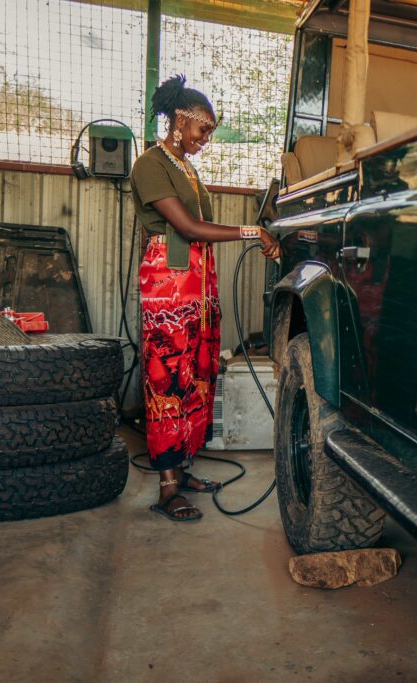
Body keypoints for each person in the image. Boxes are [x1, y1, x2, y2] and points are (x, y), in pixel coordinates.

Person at [131, 74, 279, 521]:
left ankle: (184, 467)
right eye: (202, 130)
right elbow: (190, 230)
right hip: (169, 283)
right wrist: (254, 230)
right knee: (168, 378)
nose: (205, 140)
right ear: (180, 120)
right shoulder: (150, 164)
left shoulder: (186, 170)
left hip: (199, 281)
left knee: (196, 372)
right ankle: (167, 487)